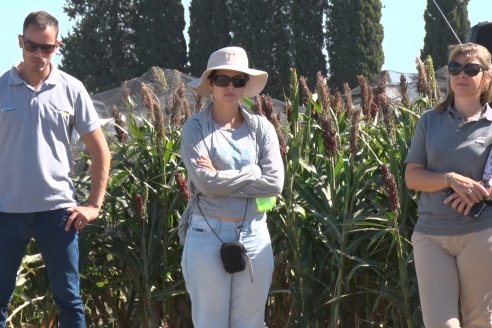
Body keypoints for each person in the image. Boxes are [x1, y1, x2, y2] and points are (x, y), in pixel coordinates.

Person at [0, 11, 111, 328]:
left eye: (46, 48)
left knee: (70, 301)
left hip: (58, 213)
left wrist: (94, 205)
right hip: (6, 213)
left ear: (57, 46)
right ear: (21, 42)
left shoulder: (72, 89)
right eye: (32, 46)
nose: (38, 54)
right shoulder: (0, 89)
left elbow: (101, 150)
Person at [179, 46, 284, 328]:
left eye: (238, 80)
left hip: (253, 233)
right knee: (210, 322)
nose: (230, 87)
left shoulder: (262, 128)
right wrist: (252, 172)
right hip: (206, 233)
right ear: (210, 83)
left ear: (245, 85)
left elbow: (274, 182)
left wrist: (222, 179)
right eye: (223, 79)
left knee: (250, 323)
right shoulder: (195, 128)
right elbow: (204, 182)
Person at [405, 42, 492, 327]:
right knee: (442, 324)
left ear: (487, 77)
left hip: (481, 234)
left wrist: (480, 192)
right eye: (455, 68)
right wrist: (450, 180)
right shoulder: (429, 122)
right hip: (431, 235)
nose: (461, 74)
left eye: (471, 68)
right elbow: (412, 177)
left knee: (480, 322)